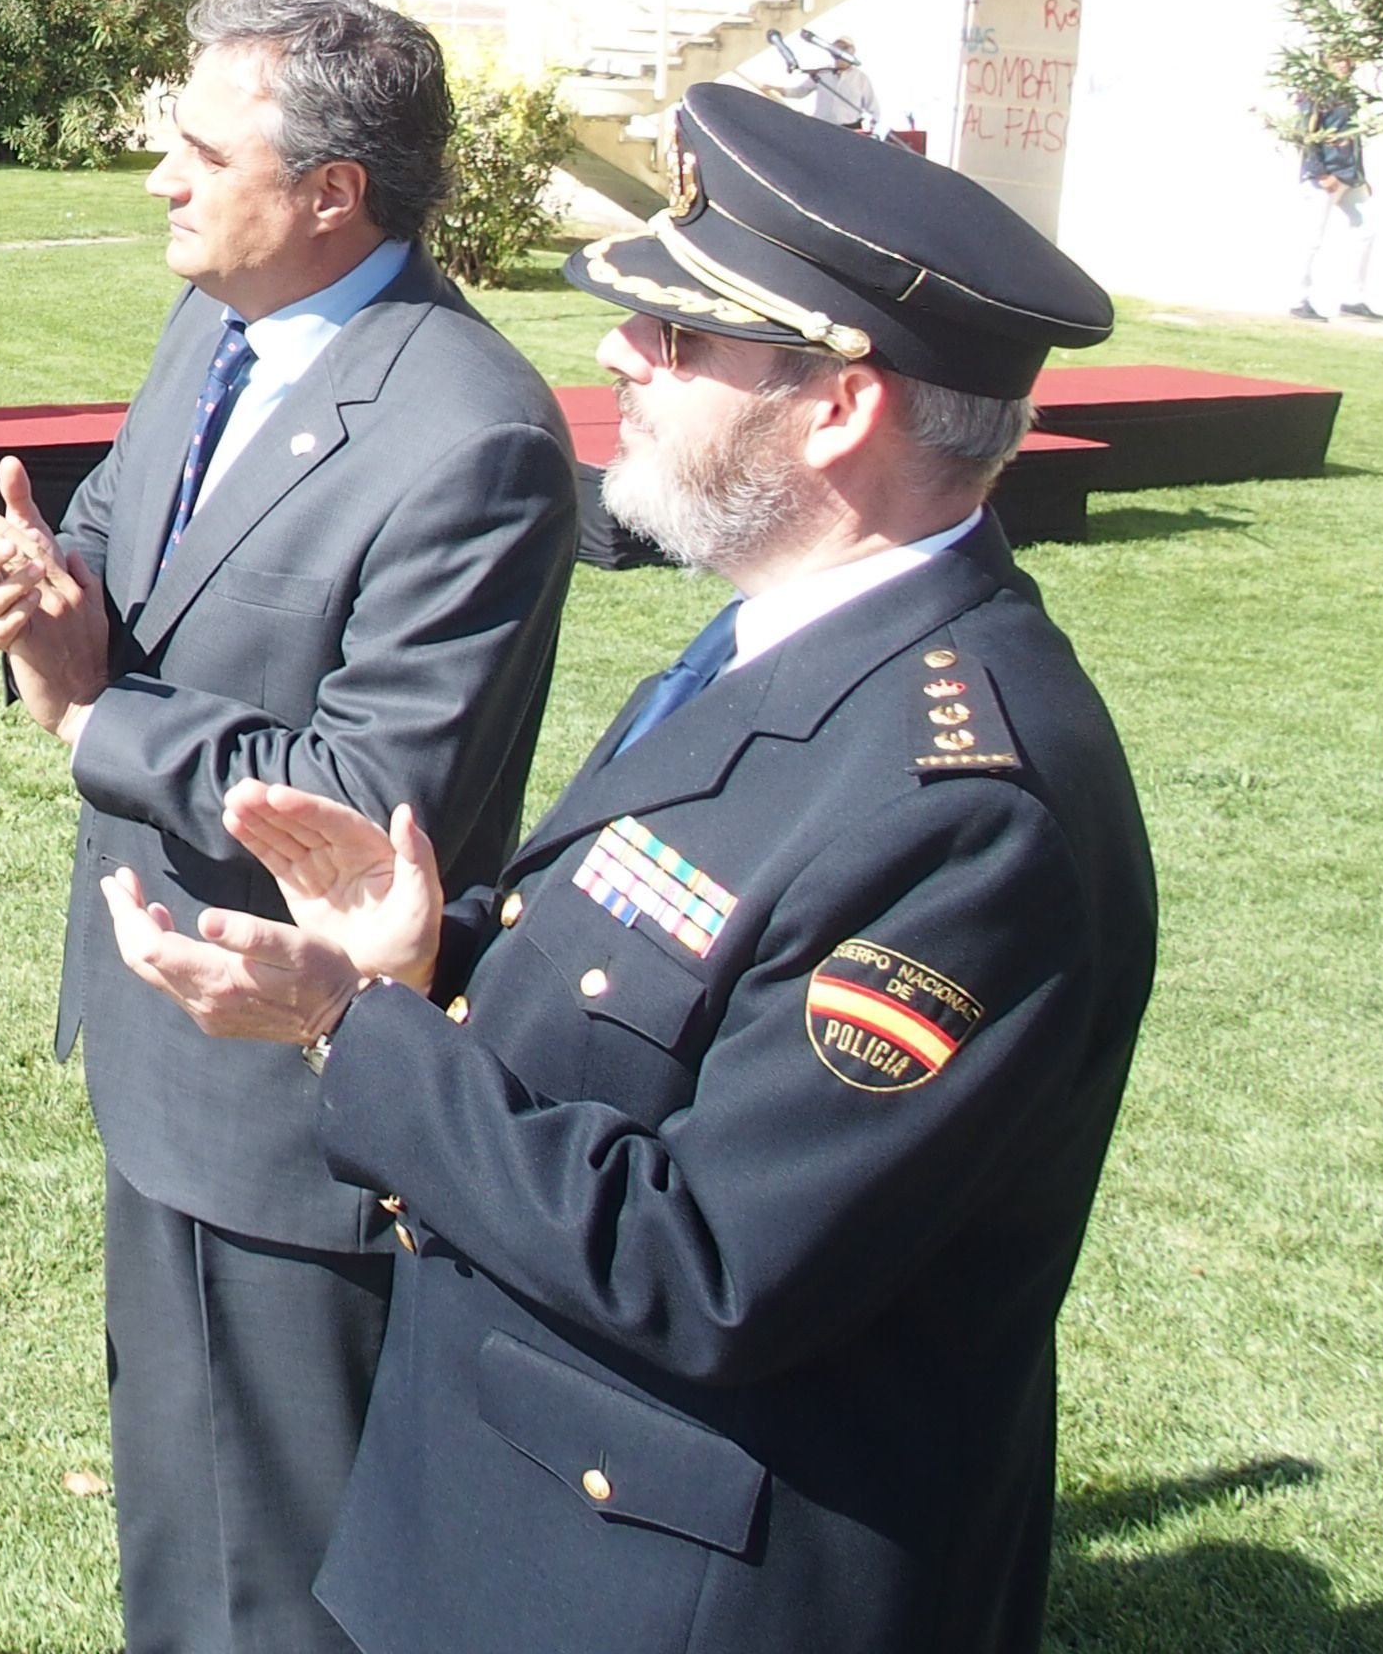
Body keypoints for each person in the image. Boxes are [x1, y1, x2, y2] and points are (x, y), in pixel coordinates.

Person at [104, 86, 1149, 1654]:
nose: (615, 357)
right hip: (535, 1505)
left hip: (681, 1581)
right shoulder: (778, 647)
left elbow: (712, 1263)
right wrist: (431, 953)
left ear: (841, 408)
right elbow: (641, 997)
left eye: (677, 339)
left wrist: (349, 1030)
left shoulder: (965, 809)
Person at [0, 0, 577, 1654]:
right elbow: (133, 580)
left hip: (289, 1094)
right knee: (183, 1523)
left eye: (196, 149)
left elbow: (363, 812)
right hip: (169, 1051)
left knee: (270, 1571)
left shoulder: (468, 436)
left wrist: (93, 710)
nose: (158, 175)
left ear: (327, 195)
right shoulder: (212, 325)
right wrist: (41, 590)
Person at [1290, 60, 1381, 322]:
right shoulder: (1315, 93)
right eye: (1338, 59)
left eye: (1348, 60)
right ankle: (1298, 299)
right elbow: (1305, 135)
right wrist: (1320, 172)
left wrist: (1361, 175)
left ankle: (1353, 299)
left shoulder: (1347, 94)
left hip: (1348, 176)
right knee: (1312, 239)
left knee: (1366, 230)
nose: (1344, 65)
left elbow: (1353, 138)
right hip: (1324, 176)